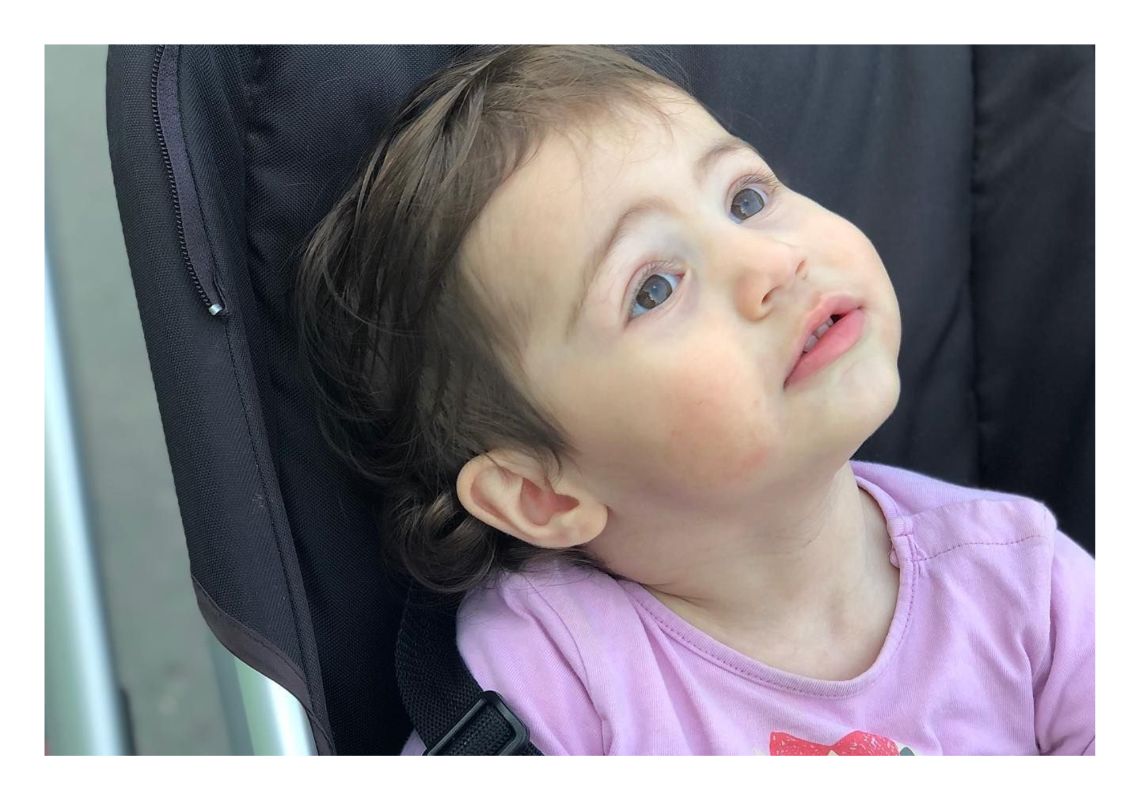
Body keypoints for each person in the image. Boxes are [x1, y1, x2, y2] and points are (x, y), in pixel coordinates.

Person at [294, 45, 1094, 755]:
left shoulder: (1026, 587)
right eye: (653, 287)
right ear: (540, 492)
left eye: (745, 198)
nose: (770, 262)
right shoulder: (550, 684)